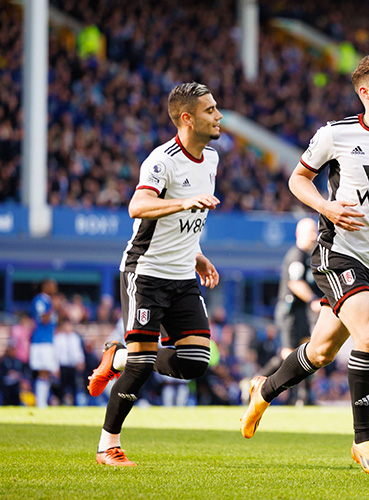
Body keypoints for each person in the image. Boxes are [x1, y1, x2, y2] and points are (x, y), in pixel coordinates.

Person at [240, 52, 369, 476]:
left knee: (322, 350)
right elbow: (298, 178)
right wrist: (326, 208)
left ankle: (264, 390)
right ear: (365, 92)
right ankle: (363, 440)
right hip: (338, 251)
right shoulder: (336, 134)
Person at [87, 82, 223, 467]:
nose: (219, 115)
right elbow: (138, 205)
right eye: (210, 110)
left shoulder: (211, 159)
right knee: (142, 365)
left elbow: (184, 223)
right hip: (144, 273)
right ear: (187, 118)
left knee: (196, 361)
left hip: (182, 276)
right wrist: (182, 201)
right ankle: (107, 446)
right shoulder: (161, 161)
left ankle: (116, 358)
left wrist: (197, 255)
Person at [251, 217, 320, 406]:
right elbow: (295, 283)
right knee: (288, 355)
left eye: (316, 232)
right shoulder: (296, 255)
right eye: (311, 232)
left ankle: (305, 398)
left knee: (308, 354)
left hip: (300, 312)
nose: (315, 236)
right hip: (289, 312)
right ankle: (256, 382)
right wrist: (313, 300)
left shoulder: (308, 256)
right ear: (299, 234)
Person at [29, 279, 59, 408]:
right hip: (41, 341)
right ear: (46, 286)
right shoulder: (41, 300)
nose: (55, 287)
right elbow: (43, 318)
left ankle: (42, 402)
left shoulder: (48, 301)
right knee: (43, 371)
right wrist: (54, 307)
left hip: (48, 340)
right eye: (53, 285)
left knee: (46, 372)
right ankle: (40, 402)